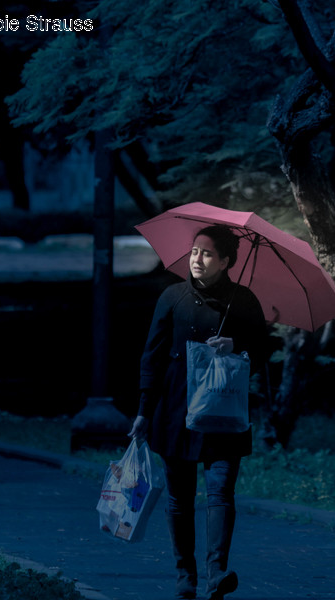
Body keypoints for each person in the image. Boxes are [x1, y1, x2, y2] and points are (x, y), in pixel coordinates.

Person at [129, 224, 268, 600]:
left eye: (207, 254)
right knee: (180, 497)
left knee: (221, 491)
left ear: (225, 262)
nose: (197, 259)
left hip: (223, 411)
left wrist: (235, 344)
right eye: (194, 252)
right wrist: (143, 411)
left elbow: (263, 349)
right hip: (174, 410)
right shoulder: (172, 297)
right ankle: (184, 573)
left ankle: (216, 572)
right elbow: (151, 357)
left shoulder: (244, 301)